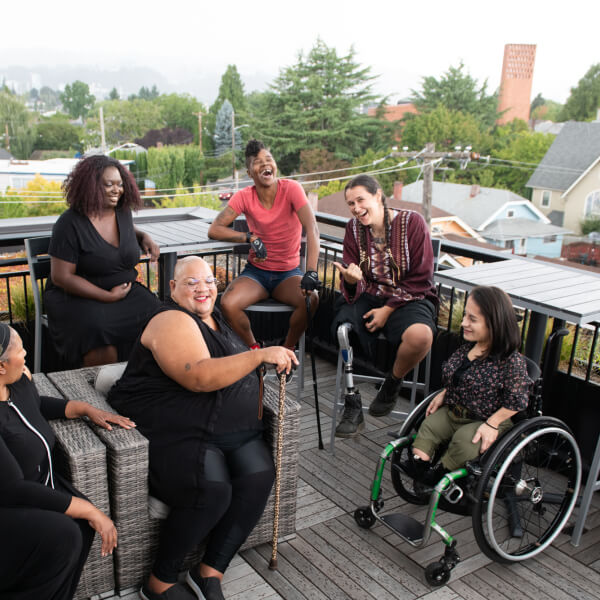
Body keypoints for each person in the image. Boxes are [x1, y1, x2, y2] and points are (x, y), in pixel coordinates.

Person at [108, 256, 297, 600]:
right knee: (211, 489)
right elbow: (199, 376)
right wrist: (260, 356)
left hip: (231, 429)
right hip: (178, 429)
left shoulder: (217, 320)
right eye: (191, 282)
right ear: (173, 288)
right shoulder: (170, 319)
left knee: (259, 474)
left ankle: (209, 570)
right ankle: (159, 582)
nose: (203, 288)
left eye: (209, 280)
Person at [0, 322, 135, 600]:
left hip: (41, 487)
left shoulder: (17, 383)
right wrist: (89, 509)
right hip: (11, 506)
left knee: (80, 529)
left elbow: (35, 405)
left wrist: (84, 408)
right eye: (20, 349)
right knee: (66, 533)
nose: (26, 354)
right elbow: (13, 488)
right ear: (1, 367)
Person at [332, 174, 438, 436]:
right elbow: (351, 273)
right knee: (342, 329)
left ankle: (392, 383)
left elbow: (422, 276)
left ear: (378, 195)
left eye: (360, 200)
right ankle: (352, 400)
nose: (356, 208)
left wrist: (388, 309)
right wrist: (349, 278)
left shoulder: (412, 222)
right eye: (350, 203)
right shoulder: (353, 229)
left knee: (421, 335)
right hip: (369, 293)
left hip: (410, 296)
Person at [406, 286, 531, 488]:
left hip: (486, 418)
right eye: (465, 315)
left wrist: (492, 424)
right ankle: (421, 468)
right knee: (428, 427)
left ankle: (440, 476)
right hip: (455, 411)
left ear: (494, 324)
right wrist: (446, 392)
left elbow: (518, 401)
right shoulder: (467, 348)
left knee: (465, 442)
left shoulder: (511, 362)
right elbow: (459, 376)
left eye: (472, 319)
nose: (464, 323)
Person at [44, 154, 161, 367]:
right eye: (109, 184)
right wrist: (107, 297)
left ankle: (144, 382)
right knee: (97, 330)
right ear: (90, 185)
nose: (117, 190)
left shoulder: (123, 213)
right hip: (77, 296)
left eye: (120, 184)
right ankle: (100, 391)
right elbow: (61, 277)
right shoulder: (69, 223)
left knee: (159, 315)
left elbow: (126, 231)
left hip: (123, 292)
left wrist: (143, 236)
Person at [207, 139, 320, 351]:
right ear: (250, 173)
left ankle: (286, 352)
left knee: (311, 300)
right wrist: (249, 238)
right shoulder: (244, 196)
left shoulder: (292, 189)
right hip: (256, 273)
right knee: (228, 303)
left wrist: (312, 272)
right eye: (258, 162)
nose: (265, 164)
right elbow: (214, 229)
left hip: (288, 274)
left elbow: (312, 228)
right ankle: (255, 351)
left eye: (269, 159)